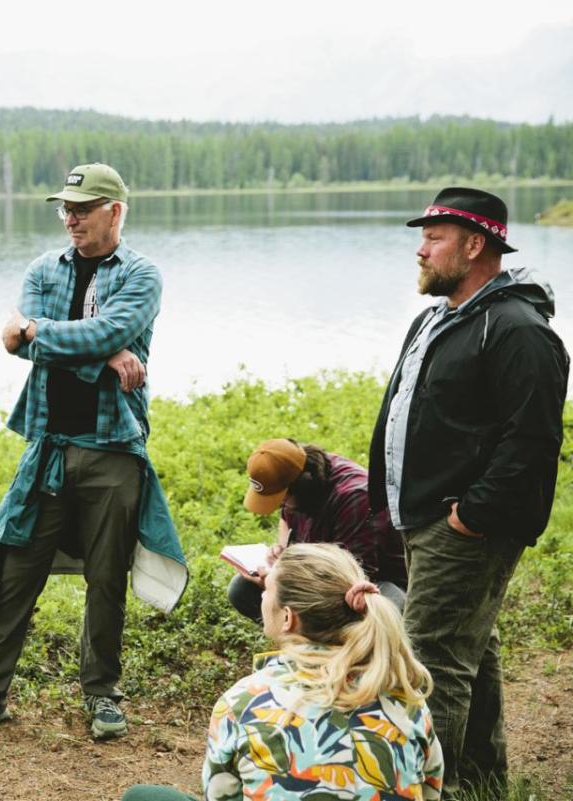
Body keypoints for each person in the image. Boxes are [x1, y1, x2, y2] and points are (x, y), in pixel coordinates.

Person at [0, 163, 187, 744]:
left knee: (106, 580)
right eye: (64, 208)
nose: (70, 218)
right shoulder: (43, 268)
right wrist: (100, 353)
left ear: (115, 211)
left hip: (112, 449)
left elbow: (66, 334)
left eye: (82, 207)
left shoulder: (141, 274)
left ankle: (102, 694)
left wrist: (38, 334)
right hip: (48, 446)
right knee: (15, 571)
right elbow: (53, 347)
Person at [367, 187, 569, 798]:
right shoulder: (435, 317)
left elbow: (531, 438)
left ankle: (433, 789)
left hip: (464, 525)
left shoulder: (517, 328)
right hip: (423, 517)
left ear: (475, 245)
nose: (420, 251)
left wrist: (473, 515)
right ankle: (481, 781)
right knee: (469, 653)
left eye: (433, 238)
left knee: (432, 661)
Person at [122, 543, 444, 801]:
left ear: (288, 618)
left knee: (141, 797)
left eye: (267, 590)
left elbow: (220, 794)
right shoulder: (407, 699)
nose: (262, 595)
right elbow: (429, 791)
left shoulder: (242, 702)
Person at [228, 438, 407, 621]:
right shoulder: (296, 469)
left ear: (302, 486)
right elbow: (285, 519)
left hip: (367, 581)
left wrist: (279, 579)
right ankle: (303, 642)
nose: (281, 507)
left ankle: (336, 645)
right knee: (241, 590)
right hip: (319, 571)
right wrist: (282, 549)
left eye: (282, 501)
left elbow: (349, 579)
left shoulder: (355, 499)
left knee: (383, 609)